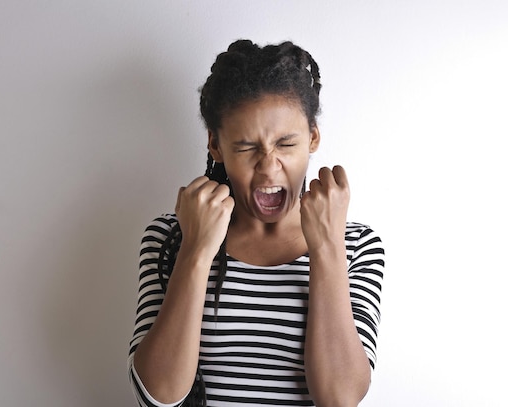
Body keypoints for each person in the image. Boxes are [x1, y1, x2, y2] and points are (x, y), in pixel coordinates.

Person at [128, 39, 385, 407]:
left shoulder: (357, 245)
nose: (268, 166)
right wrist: (197, 250)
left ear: (312, 138)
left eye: (286, 143)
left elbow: (340, 398)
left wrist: (327, 247)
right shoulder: (171, 236)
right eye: (247, 147)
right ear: (216, 146)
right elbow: (158, 396)